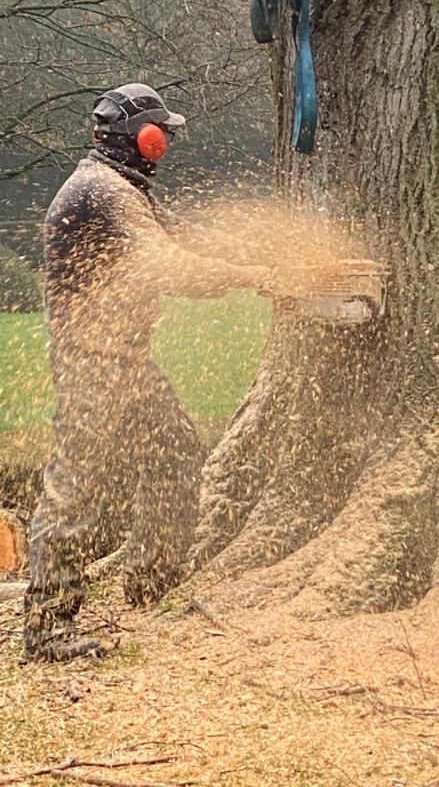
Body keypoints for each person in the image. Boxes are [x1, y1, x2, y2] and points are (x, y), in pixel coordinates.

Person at [23, 83, 272, 661]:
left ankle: (149, 580)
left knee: (174, 456)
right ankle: (48, 628)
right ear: (145, 139)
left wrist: (246, 258)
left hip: (124, 360)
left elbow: (170, 250)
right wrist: (248, 275)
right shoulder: (104, 190)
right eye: (163, 136)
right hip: (95, 364)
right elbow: (167, 266)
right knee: (75, 491)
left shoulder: (117, 188)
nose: (165, 147)